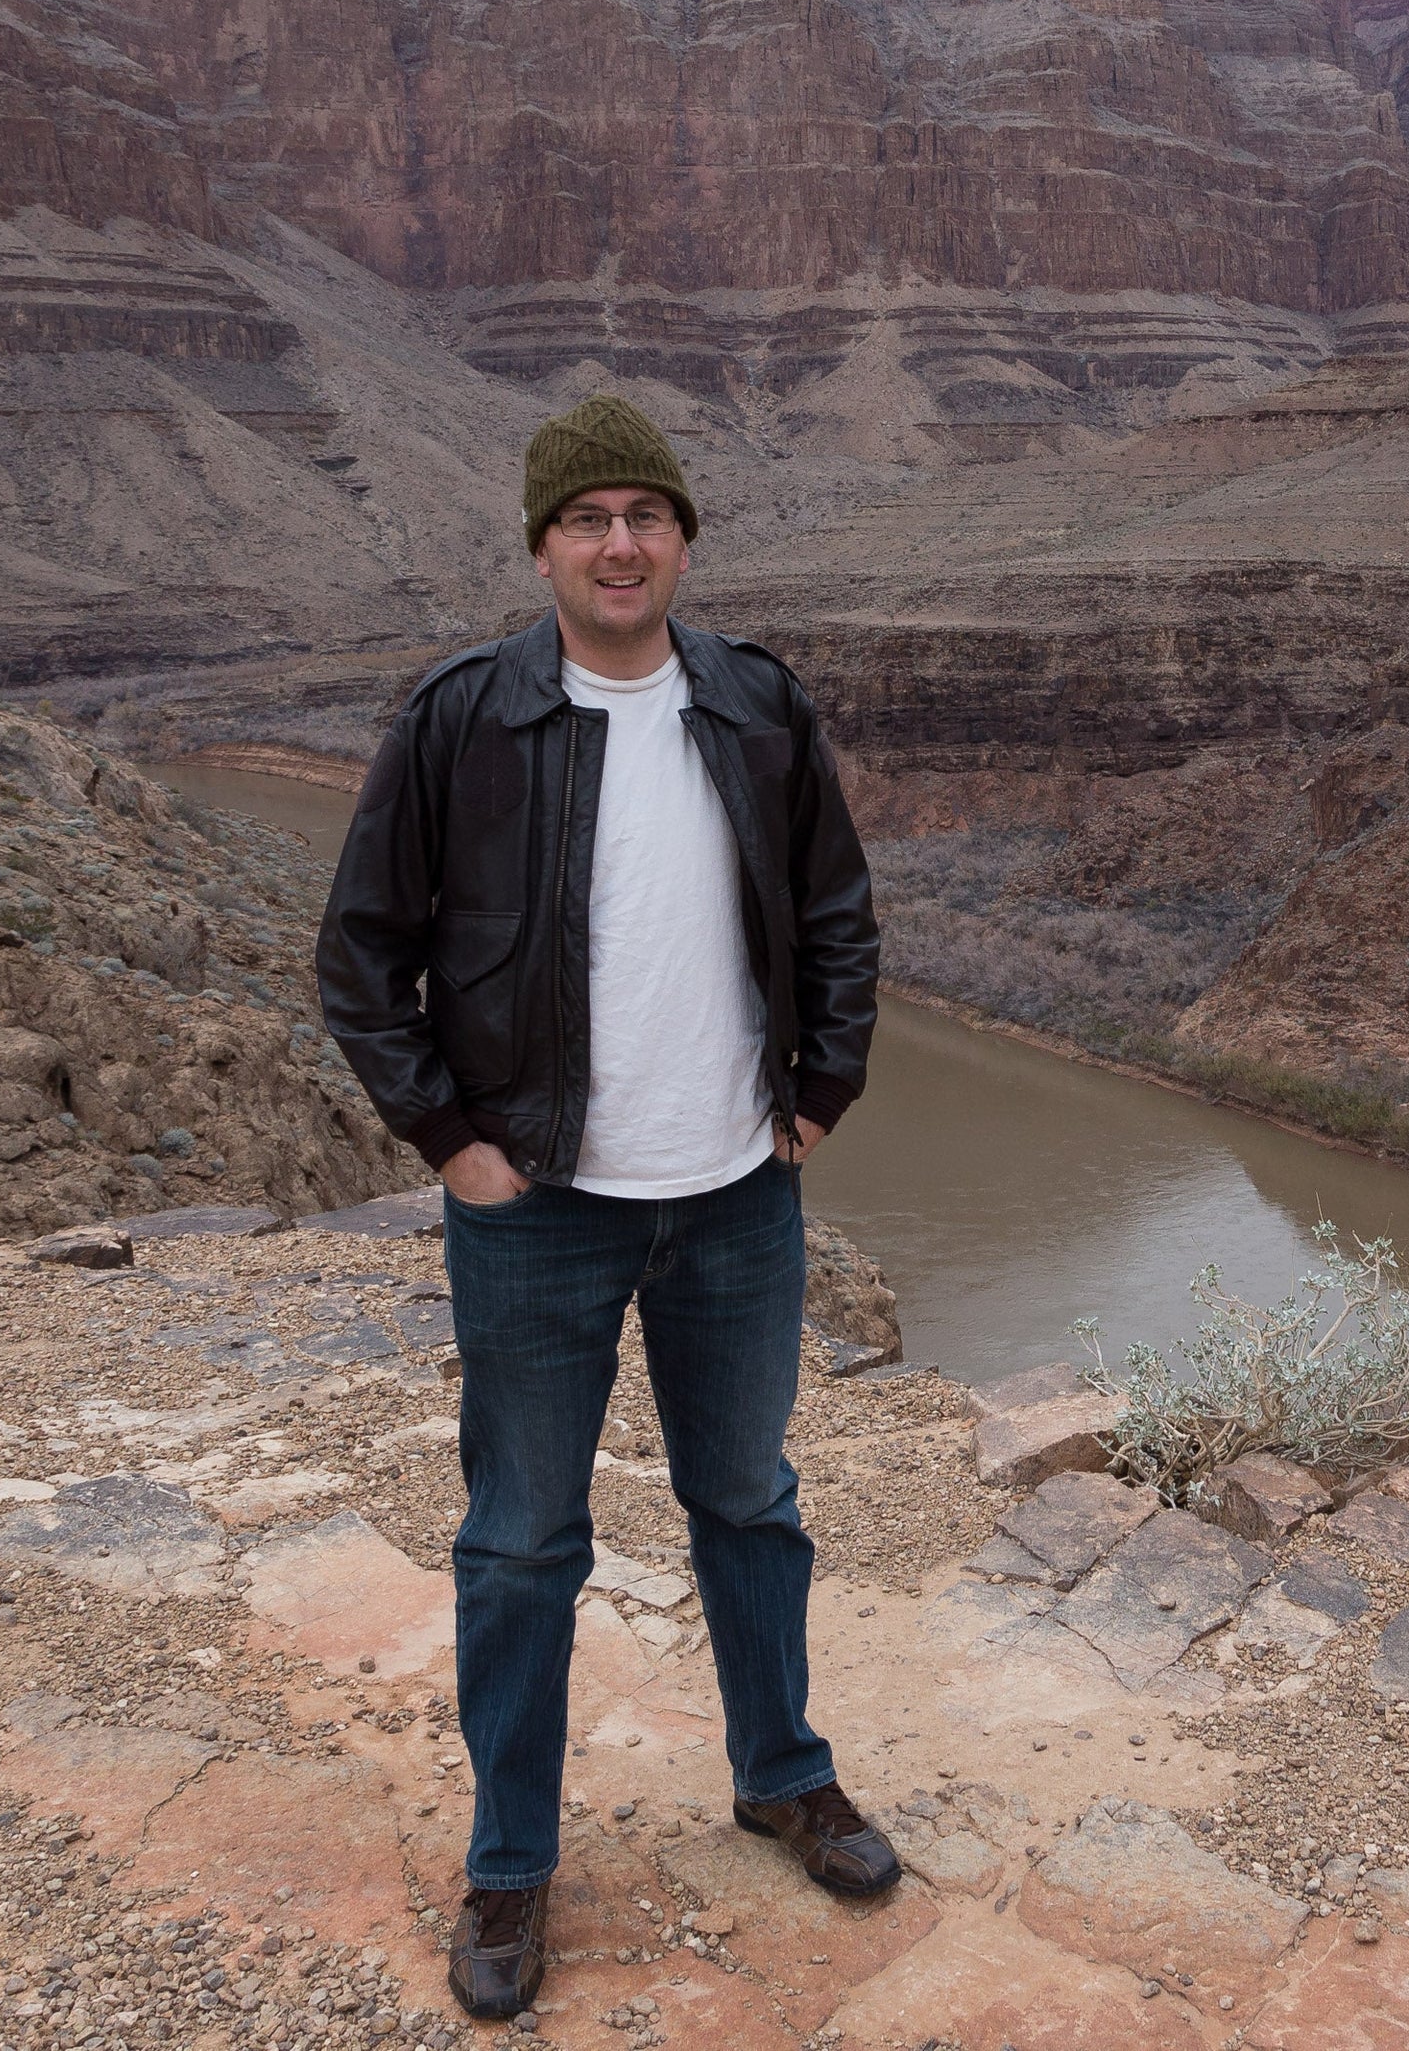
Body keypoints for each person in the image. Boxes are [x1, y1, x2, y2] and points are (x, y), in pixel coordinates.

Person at [316, 392, 890, 2023]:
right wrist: (451, 1143)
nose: (620, 543)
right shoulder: (463, 719)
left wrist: (819, 1098)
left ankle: (784, 1774)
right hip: (537, 1206)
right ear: (542, 544)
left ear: (684, 541)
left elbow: (839, 916)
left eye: (646, 515)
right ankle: (510, 1868)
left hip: (731, 1201)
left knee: (750, 1504)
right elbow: (361, 956)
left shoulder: (759, 708)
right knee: (517, 1547)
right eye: (589, 518)